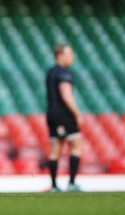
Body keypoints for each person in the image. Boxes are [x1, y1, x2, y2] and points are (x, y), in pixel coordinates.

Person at [45, 43, 83, 192]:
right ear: (60, 55)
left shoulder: (50, 72)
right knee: (77, 147)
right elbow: (66, 95)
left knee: (55, 151)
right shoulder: (64, 73)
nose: (72, 57)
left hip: (51, 113)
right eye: (69, 54)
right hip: (63, 114)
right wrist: (78, 114)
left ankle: (54, 186)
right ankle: (72, 183)